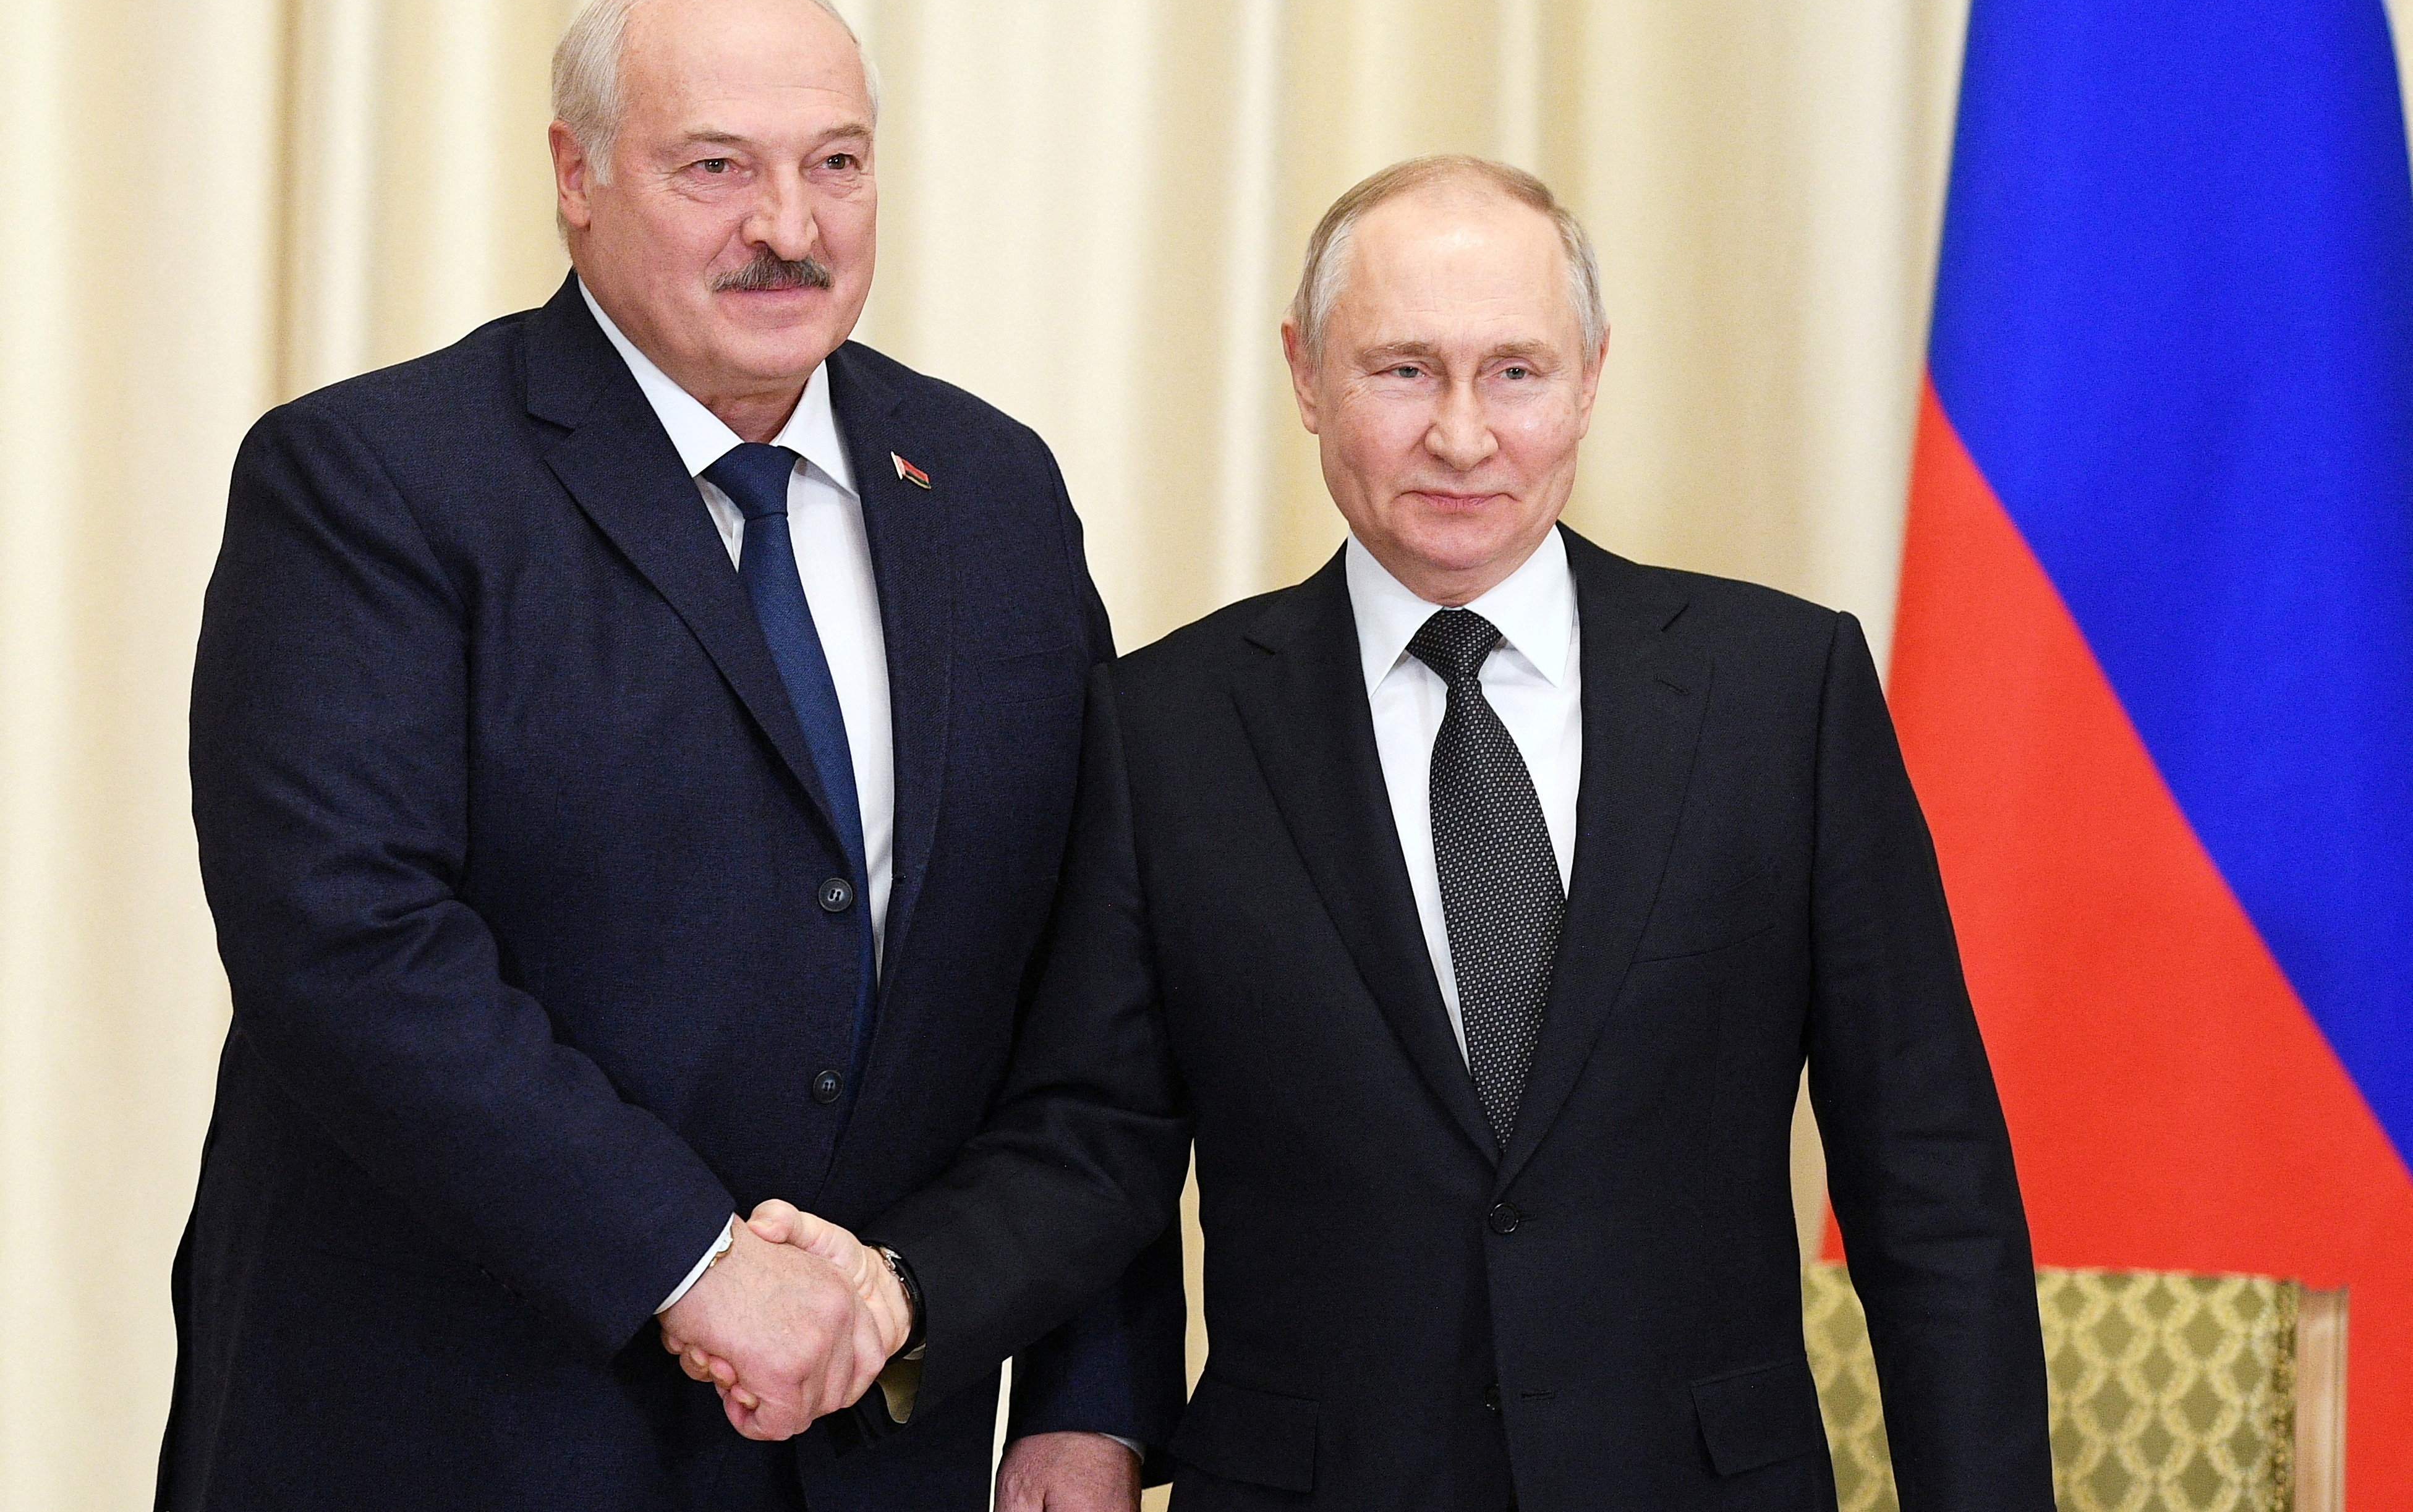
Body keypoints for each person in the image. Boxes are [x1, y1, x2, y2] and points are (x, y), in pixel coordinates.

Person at [693, 156, 2056, 1509]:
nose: (1461, 436)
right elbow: (1092, 1137)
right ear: (1303, 372)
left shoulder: (1783, 692)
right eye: (1401, 370)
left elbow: (1924, 1175)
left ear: (1589, 373)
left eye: (1513, 372)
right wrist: (901, 1288)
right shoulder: (1159, 728)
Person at [159, 0, 1180, 1512]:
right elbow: (345, 943)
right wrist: (693, 1262)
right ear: (573, 176)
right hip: (450, 1433)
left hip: (873, 1444)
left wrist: (1086, 1394)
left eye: (835, 163)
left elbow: (1091, 993)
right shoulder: (370, 480)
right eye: (717, 168)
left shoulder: (992, 492)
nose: (790, 225)